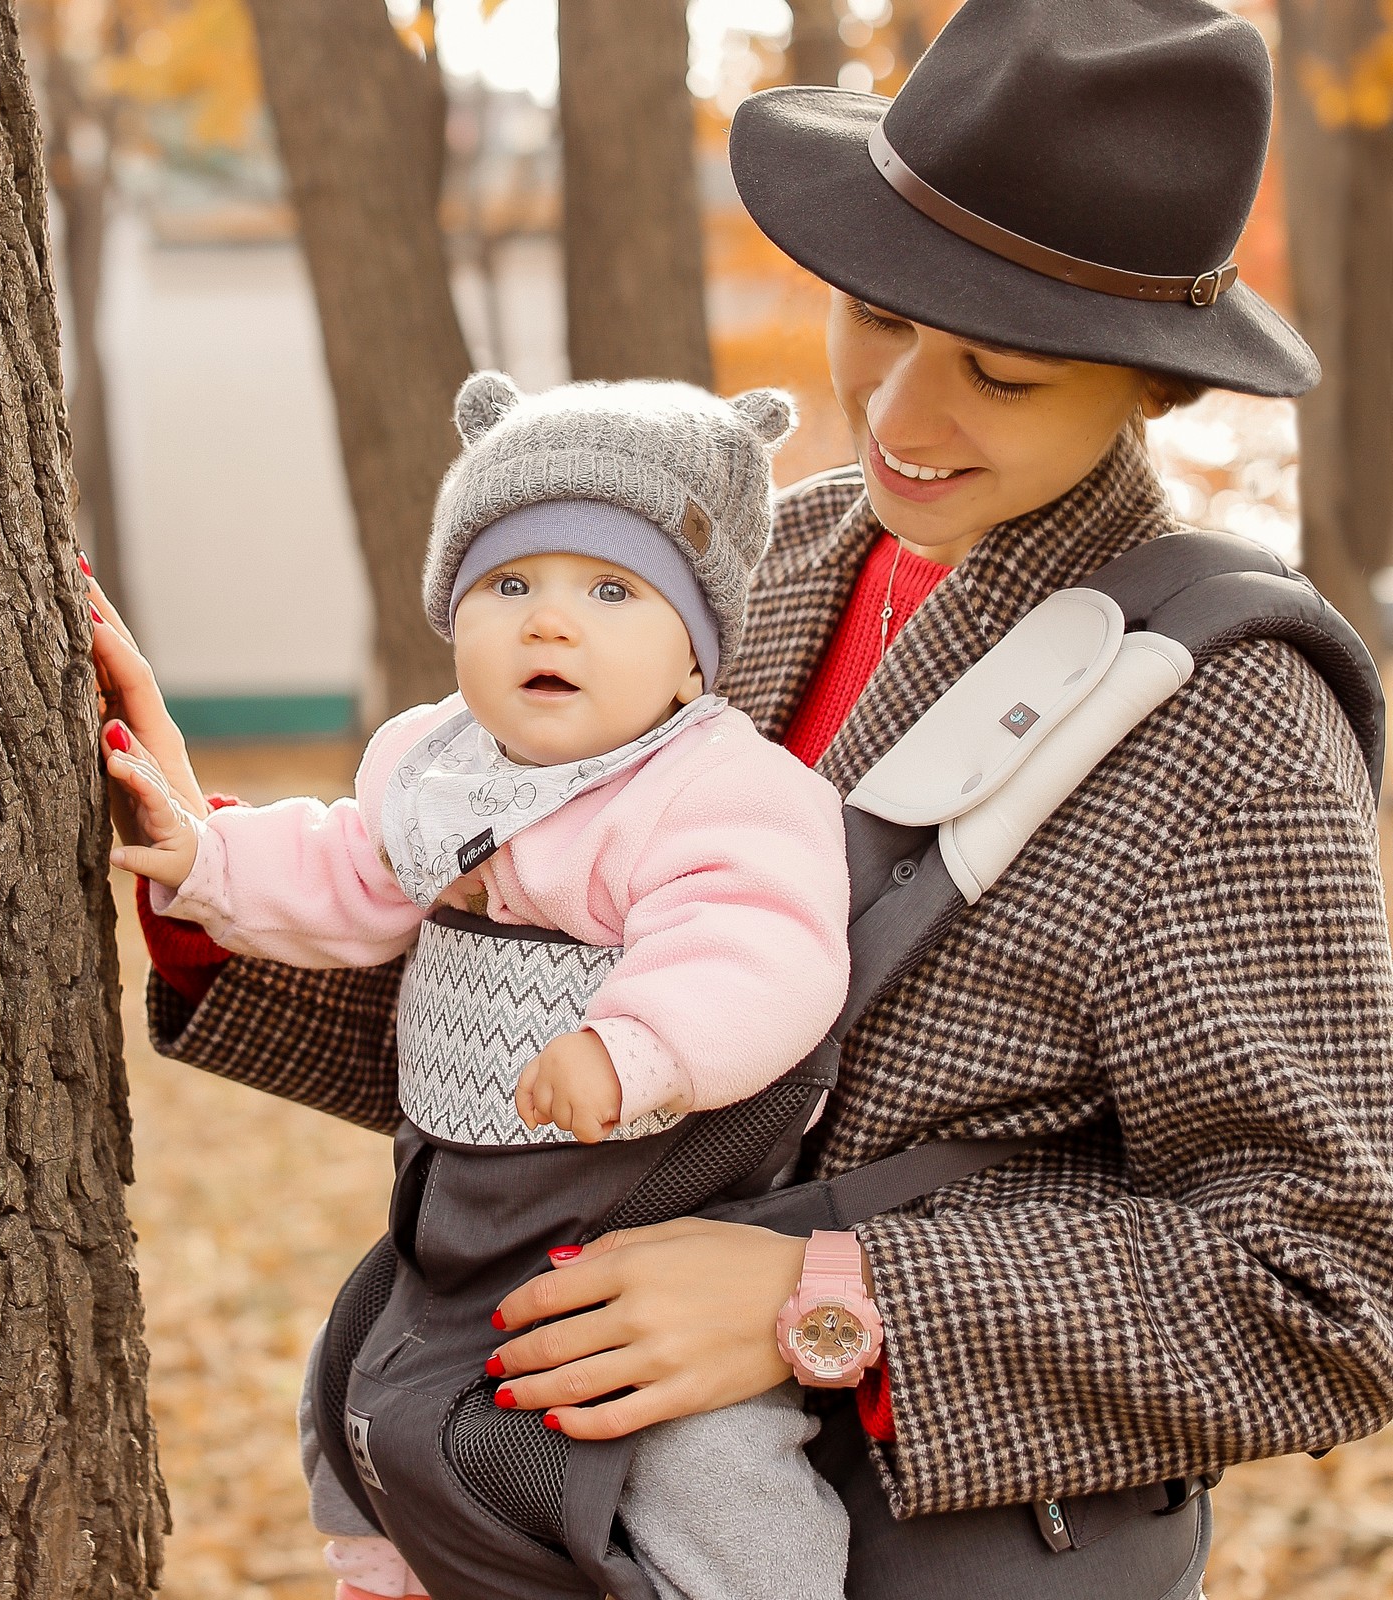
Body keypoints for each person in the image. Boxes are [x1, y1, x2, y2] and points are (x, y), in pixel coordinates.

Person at [91, 1, 1393, 1595]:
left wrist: (821, 1305)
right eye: (877, 317)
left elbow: (1329, 1281)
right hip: (543, 1498)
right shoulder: (751, 571)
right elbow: (555, 1024)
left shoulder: (1230, 710)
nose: (902, 414)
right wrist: (209, 882)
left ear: (1151, 386)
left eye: (1002, 370)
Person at [102, 371, 859, 1600]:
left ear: (692, 658)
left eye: (612, 592)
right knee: (358, 1362)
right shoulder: (437, 764)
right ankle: (385, 1560)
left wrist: (635, 1045)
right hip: (460, 1194)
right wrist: (211, 858)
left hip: (649, 1202)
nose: (549, 624)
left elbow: (760, 943)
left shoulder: (713, 786)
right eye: (510, 586)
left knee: (705, 1450)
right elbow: (351, 866)